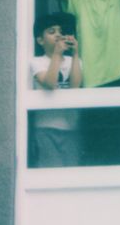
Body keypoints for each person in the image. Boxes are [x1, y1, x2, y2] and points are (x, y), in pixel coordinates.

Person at [28, 12, 82, 168]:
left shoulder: (74, 61)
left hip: (72, 127)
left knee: (72, 173)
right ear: (40, 40)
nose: (58, 35)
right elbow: (50, 83)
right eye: (51, 32)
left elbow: (75, 85)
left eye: (60, 31)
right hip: (46, 127)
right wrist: (57, 54)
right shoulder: (37, 62)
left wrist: (76, 53)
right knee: (51, 171)